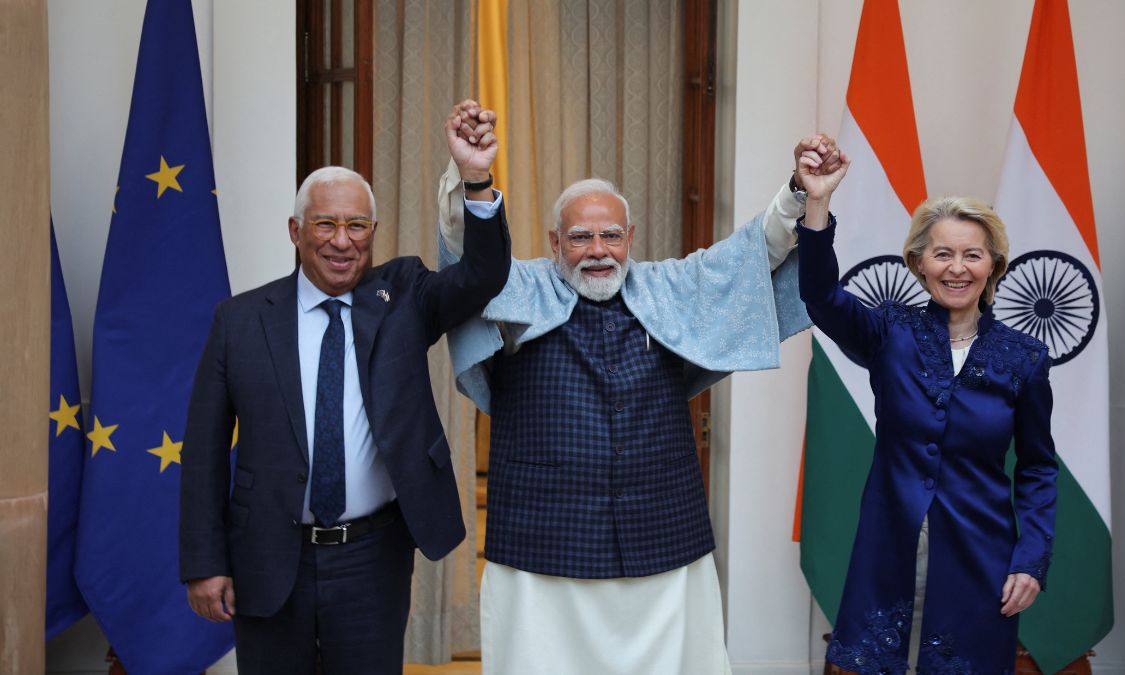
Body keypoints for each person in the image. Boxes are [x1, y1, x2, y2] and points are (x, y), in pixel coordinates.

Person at [440, 108, 841, 673]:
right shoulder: (517, 285)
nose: (598, 250)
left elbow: (754, 254)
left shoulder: (669, 287)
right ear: (555, 241)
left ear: (630, 237)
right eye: (580, 237)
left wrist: (800, 189)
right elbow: (465, 255)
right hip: (542, 541)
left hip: (662, 535)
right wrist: (474, 180)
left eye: (610, 235)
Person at [178, 101, 511, 674]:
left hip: (371, 557)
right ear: (295, 231)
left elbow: (484, 276)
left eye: (357, 225)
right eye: (325, 224)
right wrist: (205, 563)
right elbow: (204, 453)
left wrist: (476, 178)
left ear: (373, 232)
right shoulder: (239, 321)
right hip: (266, 555)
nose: (342, 241)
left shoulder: (404, 294)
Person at [794, 140, 1057, 673]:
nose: (956, 268)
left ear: (994, 266)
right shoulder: (890, 332)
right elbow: (821, 296)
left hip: (980, 553)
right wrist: (816, 203)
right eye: (942, 253)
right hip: (889, 542)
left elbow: (1037, 468)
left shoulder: (1024, 358)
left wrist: (1031, 559)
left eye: (972, 254)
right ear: (918, 263)